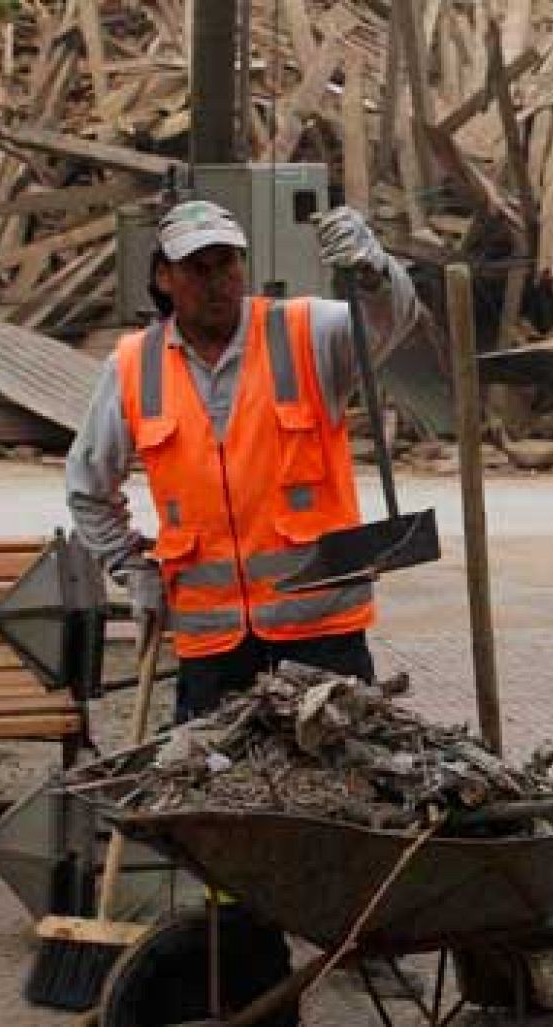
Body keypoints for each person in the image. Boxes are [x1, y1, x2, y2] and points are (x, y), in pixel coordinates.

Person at [66, 199, 426, 721]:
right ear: (164, 278)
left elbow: (390, 320)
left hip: (321, 630)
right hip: (213, 642)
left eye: (227, 263)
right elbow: (87, 487)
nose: (218, 282)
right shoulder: (133, 367)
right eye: (198, 268)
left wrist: (374, 273)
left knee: (334, 788)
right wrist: (131, 568)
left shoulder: (305, 333)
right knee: (218, 788)